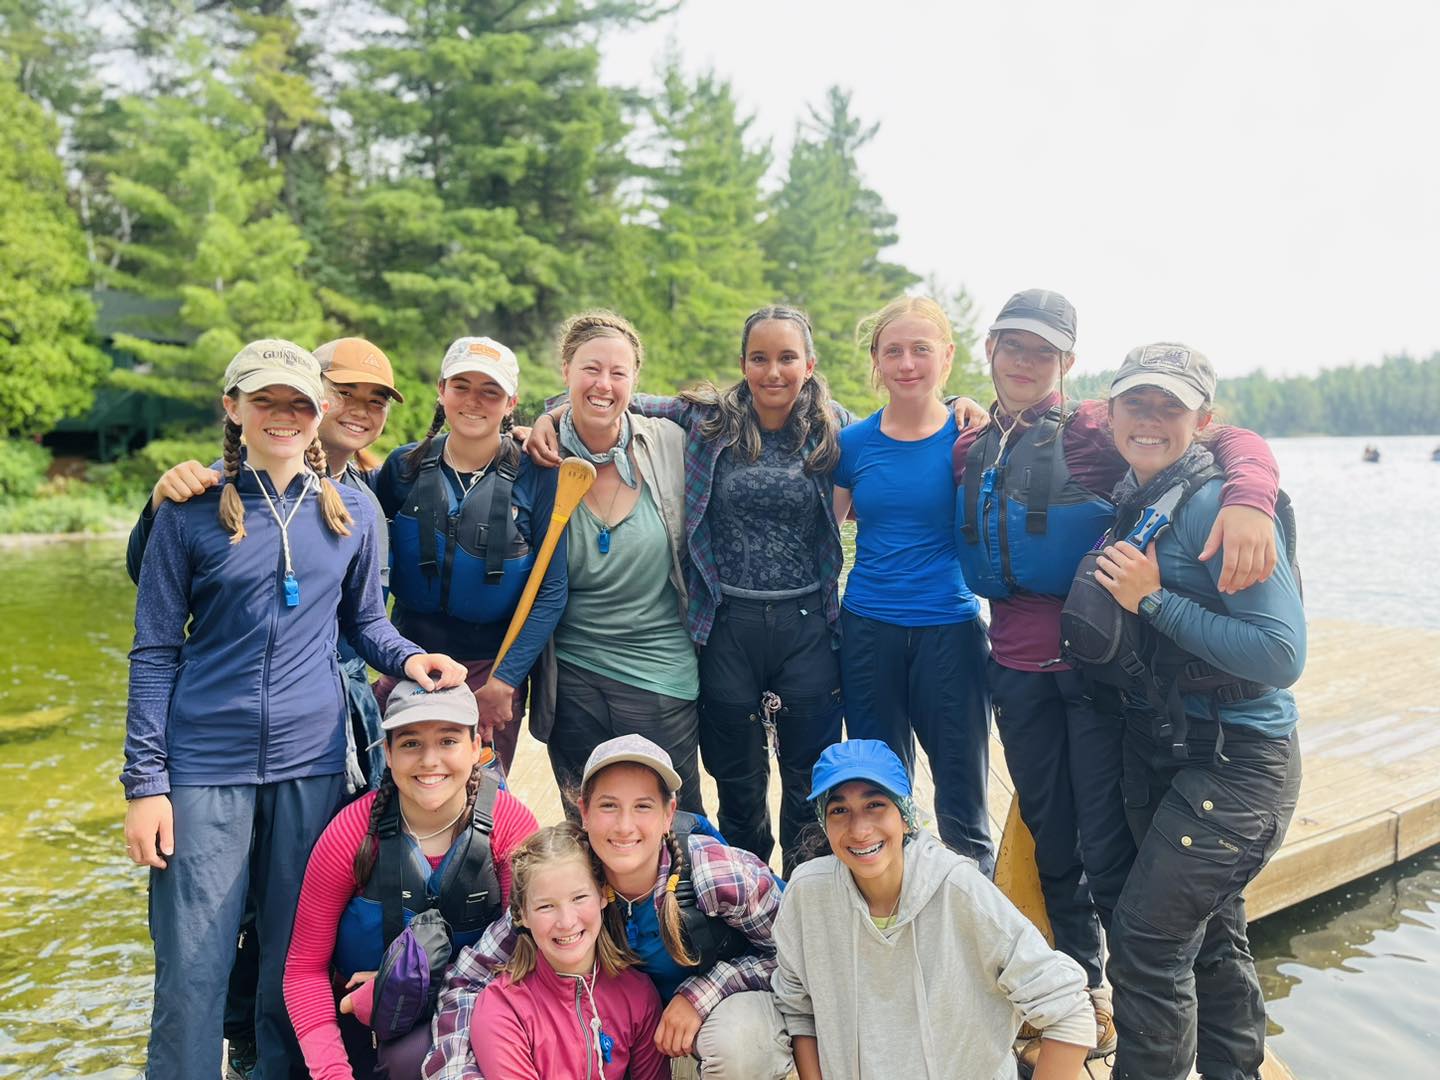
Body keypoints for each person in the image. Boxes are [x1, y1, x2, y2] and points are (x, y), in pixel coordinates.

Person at [121, 340, 466, 1080]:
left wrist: (411, 660)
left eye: (299, 403)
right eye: (265, 400)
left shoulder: (356, 513)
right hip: (202, 765)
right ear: (233, 408)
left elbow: (366, 624)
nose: (283, 416)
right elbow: (153, 651)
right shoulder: (187, 509)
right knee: (192, 968)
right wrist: (145, 784)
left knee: (293, 963)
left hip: (311, 766)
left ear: (319, 416)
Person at [950, 289, 1282, 1052]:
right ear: (991, 349)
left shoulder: (1098, 428)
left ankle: (1135, 999)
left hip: (1099, 676)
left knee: (1107, 842)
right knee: (1051, 831)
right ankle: (1078, 989)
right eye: (1014, 346)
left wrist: (1254, 500)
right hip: (1015, 666)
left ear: (1068, 363)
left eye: (1045, 351)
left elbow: (1230, 439)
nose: (1027, 363)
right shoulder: (967, 441)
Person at [527, 305, 846, 871]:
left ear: (810, 363)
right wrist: (550, 415)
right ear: (742, 363)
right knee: (737, 779)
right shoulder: (709, 422)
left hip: (806, 624)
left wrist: (959, 406)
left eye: (787, 358)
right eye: (759, 358)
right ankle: (746, 890)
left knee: (808, 778)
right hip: (726, 623)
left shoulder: (834, 428)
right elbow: (617, 400)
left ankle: (803, 896)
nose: (773, 371)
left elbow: (904, 423)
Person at [1071, 344, 1304, 1080]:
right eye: (1135, 403)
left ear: (1202, 420)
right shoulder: (1140, 488)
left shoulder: (1214, 504)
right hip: (1171, 743)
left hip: (1238, 761)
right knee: (1206, 935)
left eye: (1169, 406)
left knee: (1144, 943)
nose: (1149, 419)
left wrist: (1154, 601)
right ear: (1109, 415)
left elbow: (1281, 655)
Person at [424, 734, 793, 1080]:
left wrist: (704, 993)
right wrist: (457, 1071)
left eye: (643, 806)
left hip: (719, 1012)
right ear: (583, 811)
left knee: (737, 1043)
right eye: (608, 806)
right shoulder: (569, 880)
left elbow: (796, 957)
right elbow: (470, 979)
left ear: (669, 813)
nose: (624, 825)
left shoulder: (715, 875)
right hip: (631, 1028)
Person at [771, 739, 1096, 1080]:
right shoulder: (807, 894)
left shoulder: (959, 889)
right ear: (825, 823)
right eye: (839, 810)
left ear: (907, 817)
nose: (859, 829)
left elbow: (1070, 1011)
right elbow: (798, 1009)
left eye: (875, 805)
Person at [284, 681, 539, 1079]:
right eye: (410, 744)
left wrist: (396, 988)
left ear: (476, 748)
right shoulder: (350, 835)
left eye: (448, 741)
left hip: (475, 1005)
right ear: (387, 753)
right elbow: (304, 969)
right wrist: (333, 1073)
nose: (429, 760)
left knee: (412, 1058)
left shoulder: (510, 827)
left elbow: (529, 957)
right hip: (358, 1022)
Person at [831, 296, 994, 871]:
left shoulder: (972, 437)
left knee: (964, 800)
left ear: (946, 358)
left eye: (921, 349)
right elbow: (826, 535)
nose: (907, 363)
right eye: (893, 351)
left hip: (949, 630)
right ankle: (895, 916)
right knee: (879, 792)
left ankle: (978, 928)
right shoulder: (853, 444)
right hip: (868, 630)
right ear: (876, 360)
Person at [526, 311, 705, 816]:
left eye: (618, 372)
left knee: (679, 824)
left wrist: (949, 403)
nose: (603, 384)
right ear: (565, 370)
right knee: (589, 828)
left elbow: (747, 410)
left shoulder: (669, 443)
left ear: (635, 381)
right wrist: (549, 419)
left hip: (660, 674)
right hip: (571, 677)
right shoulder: (538, 458)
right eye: (590, 369)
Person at [373, 336, 567, 775]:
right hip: (408, 661)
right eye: (461, 386)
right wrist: (387, 660)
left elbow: (551, 590)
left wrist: (506, 681)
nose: (474, 401)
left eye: (490, 391)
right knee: (393, 792)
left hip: (490, 673)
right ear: (441, 391)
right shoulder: (402, 468)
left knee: (479, 803)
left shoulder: (539, 475)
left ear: (511, 402)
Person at [469, 823, 669, 1080]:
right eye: (546, 907)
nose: (566, 921)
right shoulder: (503, 1009)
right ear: (522, 915)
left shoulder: (638, 995)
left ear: (602, 895)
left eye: (579, 898)